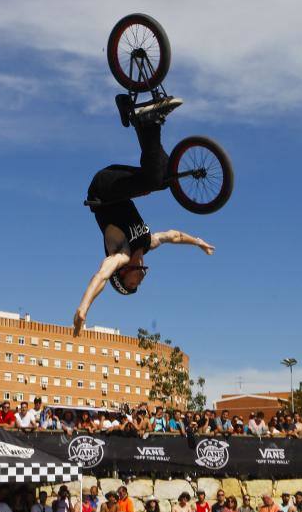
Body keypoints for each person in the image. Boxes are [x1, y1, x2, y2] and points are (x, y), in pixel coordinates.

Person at [72, 96, 216, 337]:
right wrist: (198, 242)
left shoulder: (120, 254)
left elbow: (101, 275)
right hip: (119, 191)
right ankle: (139, 117)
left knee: (151, 180)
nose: (139, 280)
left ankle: (148, 120)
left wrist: (83, 307)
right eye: (139, 283)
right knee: (164, 178)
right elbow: (174, 236)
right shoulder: (147, 244)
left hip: (102, 189)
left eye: (132, 283)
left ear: (123, 272)